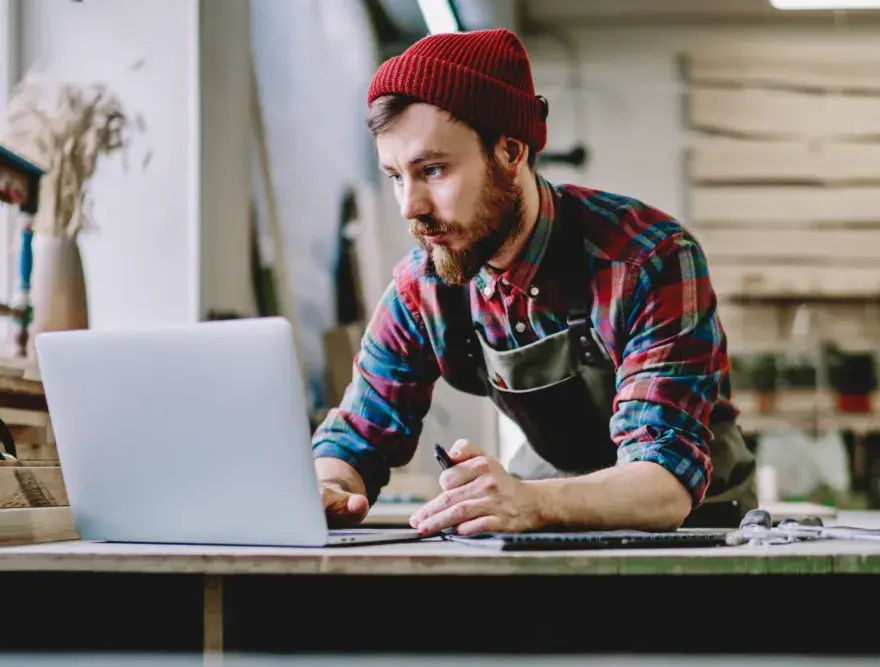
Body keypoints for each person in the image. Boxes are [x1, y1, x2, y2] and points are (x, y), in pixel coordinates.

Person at [311, 27, 757, 536]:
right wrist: (330, 488)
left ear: (511, 150)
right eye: (395, 176)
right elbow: (352, 439)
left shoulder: (646, 261)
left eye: (432, 170)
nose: (410, 206)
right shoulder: (425, 288)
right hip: (550, 504)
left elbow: (664, 480)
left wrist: (529, 501)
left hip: (701, 529)